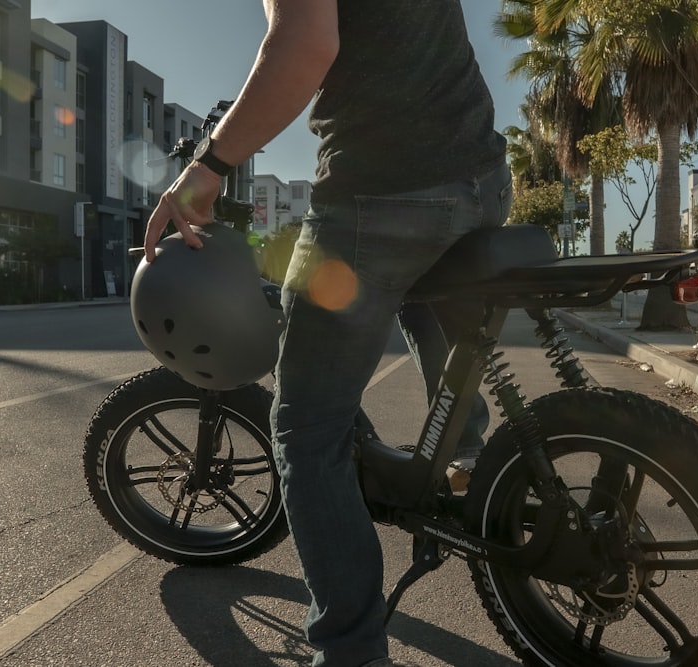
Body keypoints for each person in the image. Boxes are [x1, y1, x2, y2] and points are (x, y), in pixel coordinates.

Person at [143, 1, 509, 665]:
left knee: (308, 427)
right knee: (421, 298)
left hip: (386, 192)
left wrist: (208, 165)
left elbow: (306, 42)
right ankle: (467, 465)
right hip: (481, 174)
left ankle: (352, 651)